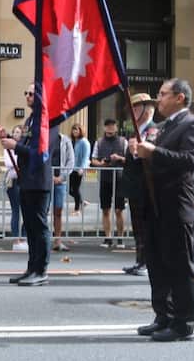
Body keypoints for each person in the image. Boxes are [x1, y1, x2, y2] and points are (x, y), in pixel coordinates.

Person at [131, 79, 194, 342]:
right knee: (157, 263)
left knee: (179, 266)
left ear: (179, 97)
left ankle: (183, 323)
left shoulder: (193, 125)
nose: (159, 98)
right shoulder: (165, 127)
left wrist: (154, 152)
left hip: (177, 205)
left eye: (163, 94)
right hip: (156, 205)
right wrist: (141, 153)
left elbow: (191, 162)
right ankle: (163, 316)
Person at [0, 83, 53, 287]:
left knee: (39, 227)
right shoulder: (30, 120)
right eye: (25, 92)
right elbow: (26, 145)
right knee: (29, 227)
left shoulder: (46, 121)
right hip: (26, 180)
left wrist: (15, 145)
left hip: (38, 181)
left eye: (31, 93)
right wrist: (8, 137)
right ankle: (31, 268)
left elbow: (40, 153)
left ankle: (41, 270)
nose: (27, 96)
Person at [122, 93, 160, 276]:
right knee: (137, 225)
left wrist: (135, 151)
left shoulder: (152, 130)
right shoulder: (135, 130)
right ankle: (139, 260)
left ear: (148, 110)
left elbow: (148, 155)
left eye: (136, 108)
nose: (133, 112)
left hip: (146, 185)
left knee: (145, 225)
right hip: (135, 184)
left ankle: (146, 262)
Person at [91, 119, 128, 249]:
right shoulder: (99, 142)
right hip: (105, 178)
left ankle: (120, 238)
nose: (110, 128)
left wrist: (119, 158)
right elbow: (93, 159)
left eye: (112, 126)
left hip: (120, 179)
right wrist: (101, 164)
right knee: (105, 209)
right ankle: (107, 237)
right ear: (104, 128)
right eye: (107, 126)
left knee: (119, 210)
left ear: (116, 128)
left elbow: (129, 159)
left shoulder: (124, 142)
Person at [2, 126, 27, 251]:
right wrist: (21, 161)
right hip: (13, 180)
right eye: (15, 132)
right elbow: (9, 163)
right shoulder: (8, 147)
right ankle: (16, 240)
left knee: (27, 210)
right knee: (16, 210)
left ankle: (23, 237)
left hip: (25, 180)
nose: (17, 134)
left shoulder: (24, 146)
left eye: (19, 132)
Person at [50, 126, 74, 252]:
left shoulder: (65, 140)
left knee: (58, 210)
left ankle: (57, 240)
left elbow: (71, 161)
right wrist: (50, 176)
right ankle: (40, 240)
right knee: (42, 211)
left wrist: (62, 177)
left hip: (61, 180)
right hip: (46, 180)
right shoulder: (45, 139)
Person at [69, 123, 91, 214]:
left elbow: (85, 156)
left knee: (75, 188)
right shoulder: (75, 141)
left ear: (80, 131)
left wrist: (82, 168)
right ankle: (81, 202)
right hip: (73, 168)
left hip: (79, 169)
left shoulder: (84, 142)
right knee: (70, 190)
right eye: (73, 130)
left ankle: (77, 209)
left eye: (76, 129)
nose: (74, 131)